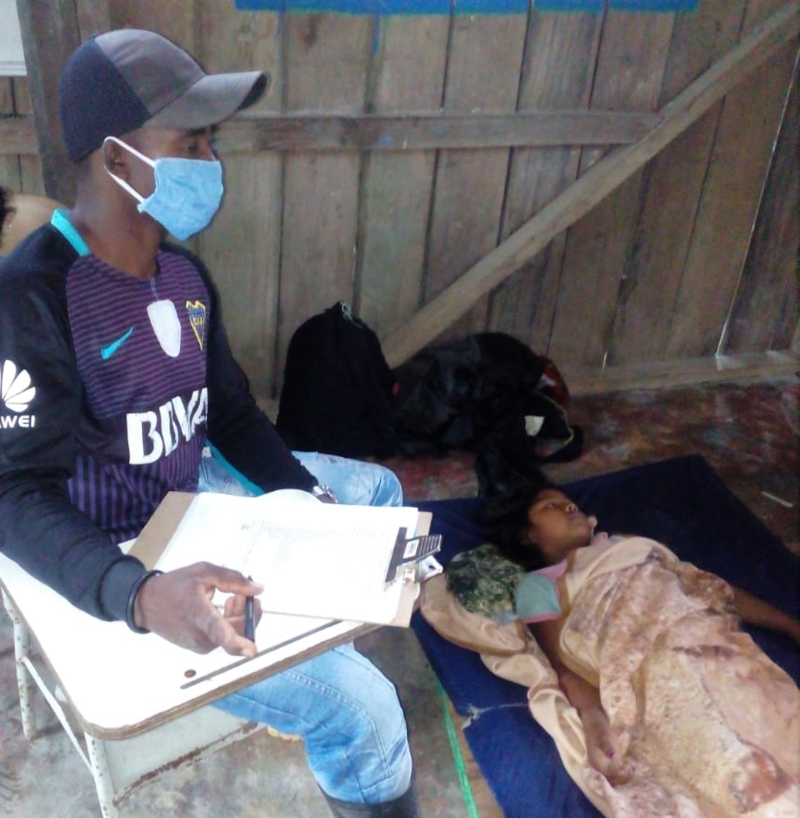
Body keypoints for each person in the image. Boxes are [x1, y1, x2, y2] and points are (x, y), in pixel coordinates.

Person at [0, 29, 416, 818]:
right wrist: (140, 595)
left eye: (208, 141)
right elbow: (13, 494)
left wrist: (303, 497)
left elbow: (225, 410)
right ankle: (337, 716)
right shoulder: (32, 297)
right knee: (369, 715)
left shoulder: (184, 273)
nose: (210, 161)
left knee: (376, 499)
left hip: (194, 488)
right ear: (117, 159)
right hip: (119, 545)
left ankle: (308, 659)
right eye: (189, 143)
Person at [442, 481, 799, 816]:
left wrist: (790, 626)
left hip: (708, 641)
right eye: (551, 506)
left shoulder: (628, 544)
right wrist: (592, 715)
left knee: (776, 722)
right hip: (644, 662)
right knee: (719, 758)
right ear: (528, 535)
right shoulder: (539, 584)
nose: (570, 507)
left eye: (571, 503)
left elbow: (707, 587)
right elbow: (558, 660)